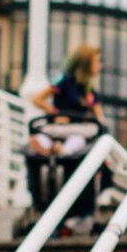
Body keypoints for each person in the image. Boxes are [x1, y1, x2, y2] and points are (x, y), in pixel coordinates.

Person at [28, 42, 106, 233]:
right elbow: (38, 98)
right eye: (97, 61)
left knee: (76, 142)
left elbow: (100, 119)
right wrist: (55, 112)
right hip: (58, 129)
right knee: (47, 139)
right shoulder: (64, 82)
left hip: (77, 135)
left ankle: (57, 150)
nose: (100, 66)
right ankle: (50, 148)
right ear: (86, 63)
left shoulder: (90, 92)